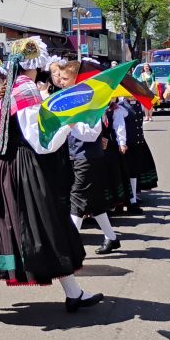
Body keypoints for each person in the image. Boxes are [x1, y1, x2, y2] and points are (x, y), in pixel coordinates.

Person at [0, 37, 103, 320]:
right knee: (46, 226)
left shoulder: (6, 88)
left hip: (0, 165)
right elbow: (40, 143)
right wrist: (65, 124)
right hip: (24, 167)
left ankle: (73, 292)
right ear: (37, 62)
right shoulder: (27, 87)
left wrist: (8, 132)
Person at [53, 60, 119, 254]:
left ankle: (69, 247)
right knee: (95, 203)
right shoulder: (72, 100)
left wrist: (70, 122)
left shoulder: (91, 101)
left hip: (89, 158)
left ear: (78, 80)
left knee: (78, 199)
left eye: (65, 78)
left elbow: (91, 134)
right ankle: (112, 238)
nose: (61, 81)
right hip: (77, 156)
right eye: (60, 77)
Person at [112, 95, 158, 210]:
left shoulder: (138, 104)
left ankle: (133, 198)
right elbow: (119, 127)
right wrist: (122, 143)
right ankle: (127, 200)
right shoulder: (121, 107)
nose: (132, 95)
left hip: (138, 144)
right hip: (128, 145)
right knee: (127, 171)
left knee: (135, 171)